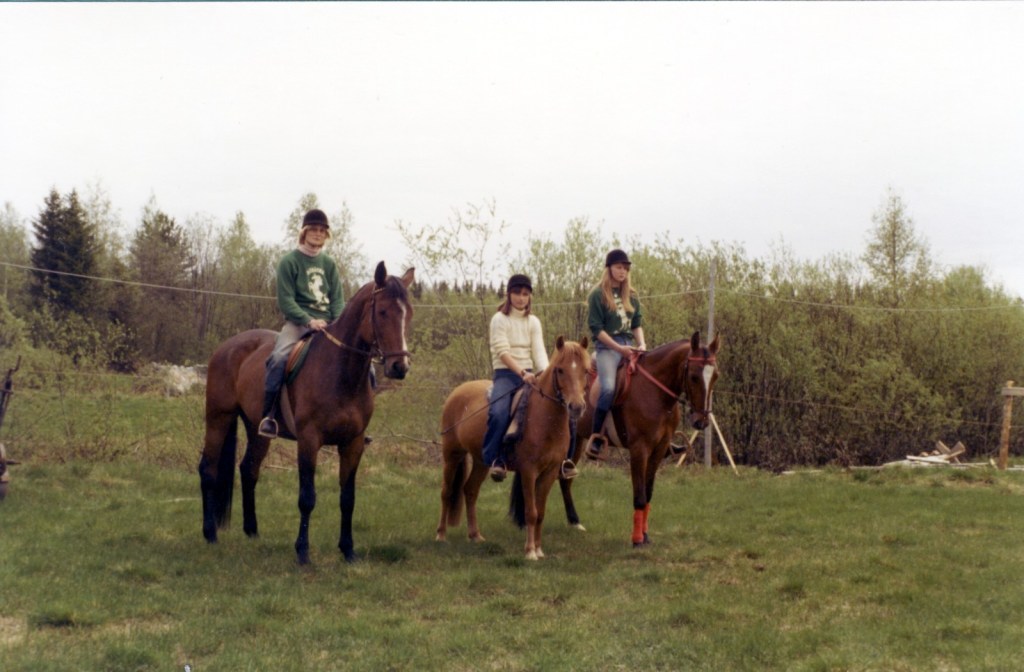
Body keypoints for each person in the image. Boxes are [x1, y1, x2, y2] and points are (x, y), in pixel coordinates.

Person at [481, 273, 578, 481]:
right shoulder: (500, 319)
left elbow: (539, 352)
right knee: (498, 412)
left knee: (563, 408)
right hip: (506, 374)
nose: (521, 298)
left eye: (525, 294)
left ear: (530, 296)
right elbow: (502, 352)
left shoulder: (533, 321)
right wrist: (522, 372)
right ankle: (494, 458)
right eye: (516, 293)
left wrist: (544, 373)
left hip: (531, 374)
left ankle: (565, 460)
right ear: (508, 294)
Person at [258, 208, 345, 438]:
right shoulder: (289, 262)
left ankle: (355, 422)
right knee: (278, 358)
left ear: (326, 235)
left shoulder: (329, 264)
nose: (318, 234)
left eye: (322, 230)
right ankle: (269, 415)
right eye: (313, 229)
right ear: (304, 232)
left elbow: (337, 299)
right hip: (298, 324)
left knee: (362, 364)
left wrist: (336, 322)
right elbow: (286, 301)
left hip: (328, 325)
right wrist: (308, 320)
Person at [585, 248, 646, 459]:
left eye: (626, 268)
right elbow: (597, 330)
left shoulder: (632, 295)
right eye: (619, 267)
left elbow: (636, 324)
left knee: (651, 380)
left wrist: (642, 344)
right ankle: (596, 437)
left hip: (630, 345)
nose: (623, 272)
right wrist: (619, 349)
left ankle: (658, 435)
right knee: (608, 387)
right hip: (608, 348)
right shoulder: (597, 295)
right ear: (609, 268)